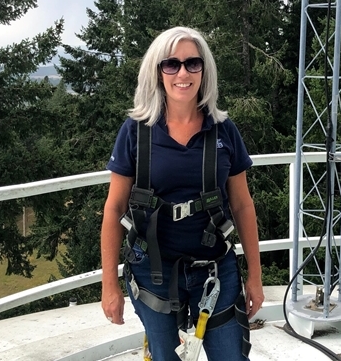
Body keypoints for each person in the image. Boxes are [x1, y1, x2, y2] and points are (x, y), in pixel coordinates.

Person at [100, 26, 264, 361]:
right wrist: (109, 285)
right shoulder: (136, 132)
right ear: (157, 72)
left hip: (216, 268)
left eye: (192, 63)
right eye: (171, 64)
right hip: (152, 272)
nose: (183, 73)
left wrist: (256, 278)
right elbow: (114, 208)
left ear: (204, 71)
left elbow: (243, 205)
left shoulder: (223, 131)